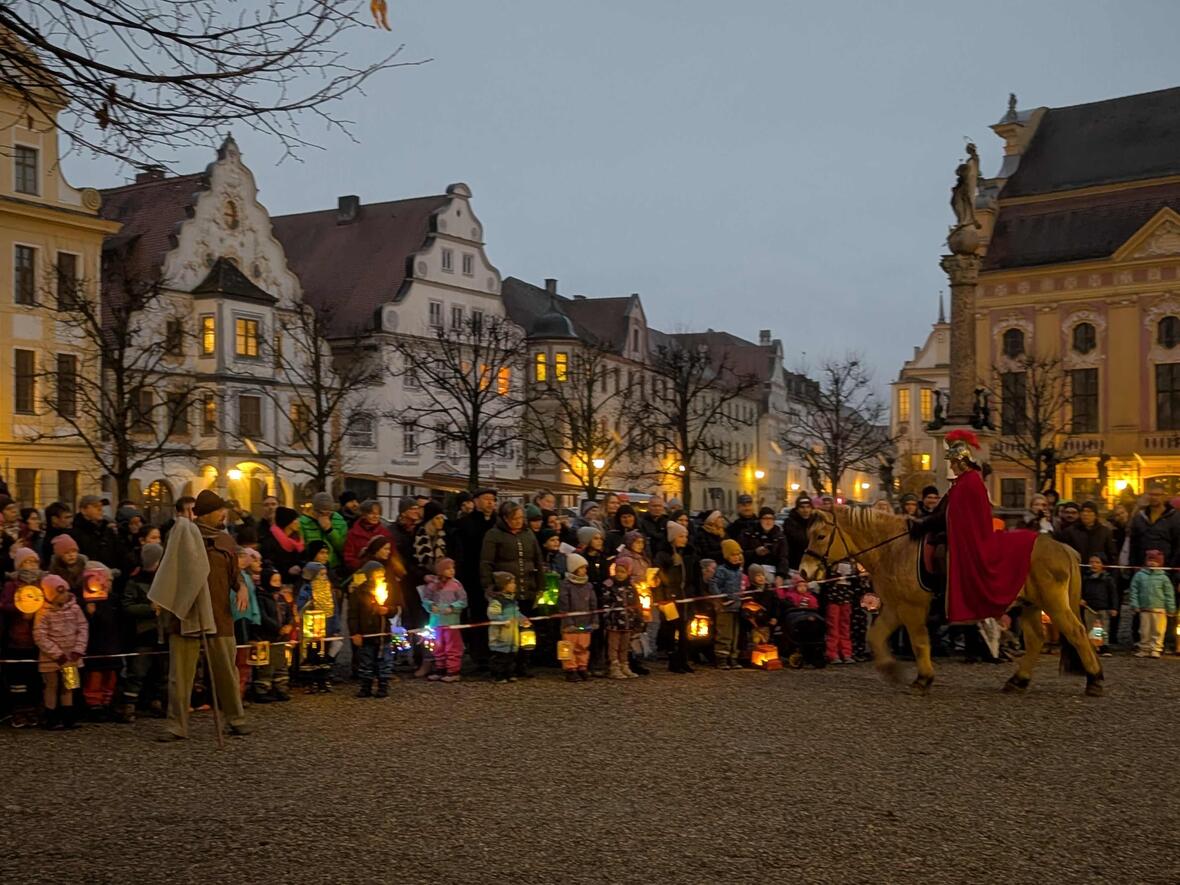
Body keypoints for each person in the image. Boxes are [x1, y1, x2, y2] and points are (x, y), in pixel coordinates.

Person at [149, 489, 250, 742]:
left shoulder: (226, 540)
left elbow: (234, 573)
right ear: (206, 514)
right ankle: (176, 725)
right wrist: (161, 599)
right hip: (186, 613)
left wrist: (242, 587)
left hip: (220, 615)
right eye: (219, 511)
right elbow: (168, 569)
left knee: (227, 671)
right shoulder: (182, 536)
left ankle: (236, 719)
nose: (223, 514)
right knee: (180, 676)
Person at [908, 430, 1037, 624]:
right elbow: (946, 512)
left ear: (961, 461)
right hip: (954, 533)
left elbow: (950, 515)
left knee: (941, 553)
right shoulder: (962, 482)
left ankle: (942, 596)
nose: (951, 466)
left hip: (970, 540)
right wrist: (923, 523)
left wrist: (924, 525)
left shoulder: (970, 482)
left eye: (953, 462)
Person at [479, 501, 543, 679]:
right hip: (505, 592)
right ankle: (503, 667)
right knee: (505, 633)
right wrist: (489, 586)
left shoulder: (528, 534)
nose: (519, 522)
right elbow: (486, 562)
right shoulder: (494, 535)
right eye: (515, 519)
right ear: (506, 519)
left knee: (527, 630)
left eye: (521, 518)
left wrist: (540, 585)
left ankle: (523, 664)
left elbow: (538, 559)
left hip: (527, 588)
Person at [117, 542, 166, 719]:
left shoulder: (165, 580)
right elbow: (127, 606)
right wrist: (149, 608)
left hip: (162, 632)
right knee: (138, 671)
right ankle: (129, 705)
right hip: (144, 632)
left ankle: (157, 701)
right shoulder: (135, 582)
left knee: (161, 671)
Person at [34, 574, 87, 730]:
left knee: (69, 685)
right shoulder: (43, 613)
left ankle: (68, 717)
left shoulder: (75, 609)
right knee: (52, 685)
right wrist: (57, 654)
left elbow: (83, 628)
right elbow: (40, 636)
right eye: (60, 593)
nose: (65, 596)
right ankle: (51, 718)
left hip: (71, 657)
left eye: (65, 592)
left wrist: (78, 650)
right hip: (51, 658)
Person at [452, 488, 497, 670]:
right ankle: (479, 654)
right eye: (486, 499)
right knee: (477, 614)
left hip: (494, 575)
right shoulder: (465, 523)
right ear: (476, 501)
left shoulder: (497, 523)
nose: (490, 503)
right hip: (472, 575)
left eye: (493, 500)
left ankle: (496, 651)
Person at [1, 546, 45, 727]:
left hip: (39, 639)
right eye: (27, 562)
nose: (31, 565)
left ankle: (33, 709)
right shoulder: (12, 585)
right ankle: (18, 711)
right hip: (17, 639)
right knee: (18, 678)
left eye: (34, 561)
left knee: (33, 677)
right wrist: (21, 609)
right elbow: (4, 604)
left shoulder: (42, 583)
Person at [78, 561, 123, 721]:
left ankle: (107, 703)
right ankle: (93, 705)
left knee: (110, 677)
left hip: (111, 646)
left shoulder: (114, 600)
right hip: (94, 647)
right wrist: (89, 613)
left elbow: (120, 622)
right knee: (94, 678)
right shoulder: (83, 600)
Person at [349, 560, 394, 698]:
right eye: (378, 574)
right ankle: (366, 686)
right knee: (366, 661)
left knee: (384, 661)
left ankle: (383, 686)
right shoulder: (359, 593)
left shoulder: (387, 589)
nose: (381, 577)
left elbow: (395, 608)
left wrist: (387, 610)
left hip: (383, 633)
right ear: (369, 575)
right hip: (366, 633)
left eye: (382, 574)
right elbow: (353, 615)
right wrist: (355, 633)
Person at [655, 520, 695, 674]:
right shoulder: (663, 555)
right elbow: (661, 577)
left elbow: (691, 575)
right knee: (671, 630)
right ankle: (673, 661)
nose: (685, 539)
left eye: (685, 536)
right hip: (670, 597)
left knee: (685, 631)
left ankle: (683, 660)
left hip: (685, 597)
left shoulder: (689, 553)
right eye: (681, 536)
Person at [419, 558, 467, 682]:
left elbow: (463, 601)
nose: (452, 571)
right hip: (436, 622)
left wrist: (453, 607)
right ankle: (440, 668)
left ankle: (453, 671)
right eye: (448, 569)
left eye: (453, 568)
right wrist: (431, 605)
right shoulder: (432, 586)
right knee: (438, 646)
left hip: (451, 622)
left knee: (453, 646)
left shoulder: (456, 585)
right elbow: (425, 599)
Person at [250, 566, 292, 704]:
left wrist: (288, 625)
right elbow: (263, 616)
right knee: (266, 666)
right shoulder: (261, 597)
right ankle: (262, 690)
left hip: (281, 638)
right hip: (267, 636)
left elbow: (289, 612)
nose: (277, 583)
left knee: (281, 664)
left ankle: (281, 688)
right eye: (274, 581)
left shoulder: (281, 597)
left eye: (279, 580)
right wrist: (277, 628)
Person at [296, 561, 340, 693]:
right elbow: (301, 608)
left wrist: (336, 628)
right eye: (321, 575)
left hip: (327, 628)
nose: (324, 577)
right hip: (312, 629)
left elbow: (334, 610)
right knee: (311, 655)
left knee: (324, 655)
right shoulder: (306, 591)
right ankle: (310, 681)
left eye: (325, 575)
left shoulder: (329, 591)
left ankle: (323, 680)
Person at [557, 552, 597, 682]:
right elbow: (564, 605)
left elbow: (593, 604)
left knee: (583, 646)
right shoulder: (566, 585)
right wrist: (568, 621)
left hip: (585, 622)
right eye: (581, 568)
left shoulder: (588, 585)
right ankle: (570, 669)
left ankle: (582, 666)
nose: (584, 570)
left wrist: (594, 620)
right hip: (571, 622)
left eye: (585, 568)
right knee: (568, 647)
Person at [602, 556, 643, 680]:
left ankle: (624, 665)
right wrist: (607, 616)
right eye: (618, 571)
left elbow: (637, 604)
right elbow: (605, 602)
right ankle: (614, 666)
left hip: (628, 622)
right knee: (613, 646)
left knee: (625, 646)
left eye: (623, 572)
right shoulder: (609, 585)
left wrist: (638, 618)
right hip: (614, 622)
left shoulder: (631, 587)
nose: (619, 575)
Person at [486, 571, 530, 684]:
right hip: (501, 635)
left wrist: (523, 620)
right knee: (500, 657)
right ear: (504, 585)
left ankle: (509, 673)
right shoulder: (497, 601)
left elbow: (516, 613)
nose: (514, 585)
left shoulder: (512, 600)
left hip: (512, 635)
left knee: (511, 656)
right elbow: (492, 614)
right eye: (512, 583)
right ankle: (497, 675)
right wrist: (502, 620)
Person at [1129, 549, 1175, 658]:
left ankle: (1156, 649)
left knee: (1158, 631)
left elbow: (1169, 594)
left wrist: (1171, 608)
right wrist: (1135, 604)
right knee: (1144, 630)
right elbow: (1134, 590)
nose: (1152, 563)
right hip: (1144, 609)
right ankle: (1144, 648)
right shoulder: (1139, 575)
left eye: (1155, 561)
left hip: (1159, 609)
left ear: (1160, 562)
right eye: (1150, 560)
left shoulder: (1164, 578)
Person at [712, 539, 745, 669]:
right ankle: (721, 658)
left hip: (736, 607)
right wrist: (722, 598)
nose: (736, 557)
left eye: (738, 554)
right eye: (733, 555)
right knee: (724, 633)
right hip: (725, 607)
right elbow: (714, 584)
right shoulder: (722, 570)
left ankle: (733, 656)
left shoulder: (739, 571)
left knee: (735, 634)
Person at [70, 495, 123, 575]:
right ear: (83, 510)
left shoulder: (107, 531)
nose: (100, 509)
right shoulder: (75, 533)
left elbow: (119, 552)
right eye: (96, 506)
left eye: (101, 506)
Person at [298, 492, 348, 573]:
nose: (325, 516)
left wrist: (330, 531)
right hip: (311, 568)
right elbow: (301, 548)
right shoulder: (303, 522)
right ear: (314, 510)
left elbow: (343, 548)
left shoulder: (340, 521)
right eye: (321, 513)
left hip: (333, 568)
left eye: (328, 513)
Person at [1081, 554, 1117, 657]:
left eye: (1097, 562)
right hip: (1089, 607)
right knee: (1090, 628)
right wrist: (1081, 599)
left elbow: (1113, 594)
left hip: (1103, 608)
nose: (1094, 565)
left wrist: (1113, 607)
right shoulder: (1086, 578)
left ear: (1102, 565)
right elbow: (1081, 590)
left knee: (1103, 628)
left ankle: (1104, 646)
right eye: (1091, 562)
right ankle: (1093, 646)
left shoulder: (1107, 579)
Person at [740, 507, 789, 584]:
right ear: (760, 520)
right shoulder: (748, 534)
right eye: (765, 518)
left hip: (774, 569)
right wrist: (755, 552)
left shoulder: (780, 536)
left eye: (771, 519)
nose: (768, 521)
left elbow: (783, 557)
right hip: (754, 569)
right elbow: (741, 553)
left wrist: (780, 575)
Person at [343, 500, 393, 571]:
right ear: (363, 514)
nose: (375, 516)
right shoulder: (353, 534)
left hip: (383, 572)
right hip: (360, 572)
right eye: (372, 513)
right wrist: (362, 565)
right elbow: (349, 557)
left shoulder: (385, 533)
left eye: (378, 514)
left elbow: (392, 555)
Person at [260, 506, 305, 580]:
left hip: (296, 581)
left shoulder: (297, 540)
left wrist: (300, 566)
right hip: (278, 582)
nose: (298, 522)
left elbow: (302, 558)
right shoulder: (269, 541)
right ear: (287, 521)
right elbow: (268, 565)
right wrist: (287, 571)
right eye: (295, 519)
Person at [782, 495, 817, 572]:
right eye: (802, 507)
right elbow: (801, 541)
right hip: (795, 564)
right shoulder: (790, 523)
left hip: (812, 564)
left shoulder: (815, 522)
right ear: (797, 509)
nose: (806, 510)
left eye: (808, 507)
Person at [41, 502, 74, 568]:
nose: (70, 520)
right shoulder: (50, 541)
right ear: (54, 519)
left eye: (70, 517)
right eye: (66, 517)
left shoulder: (71, 533)